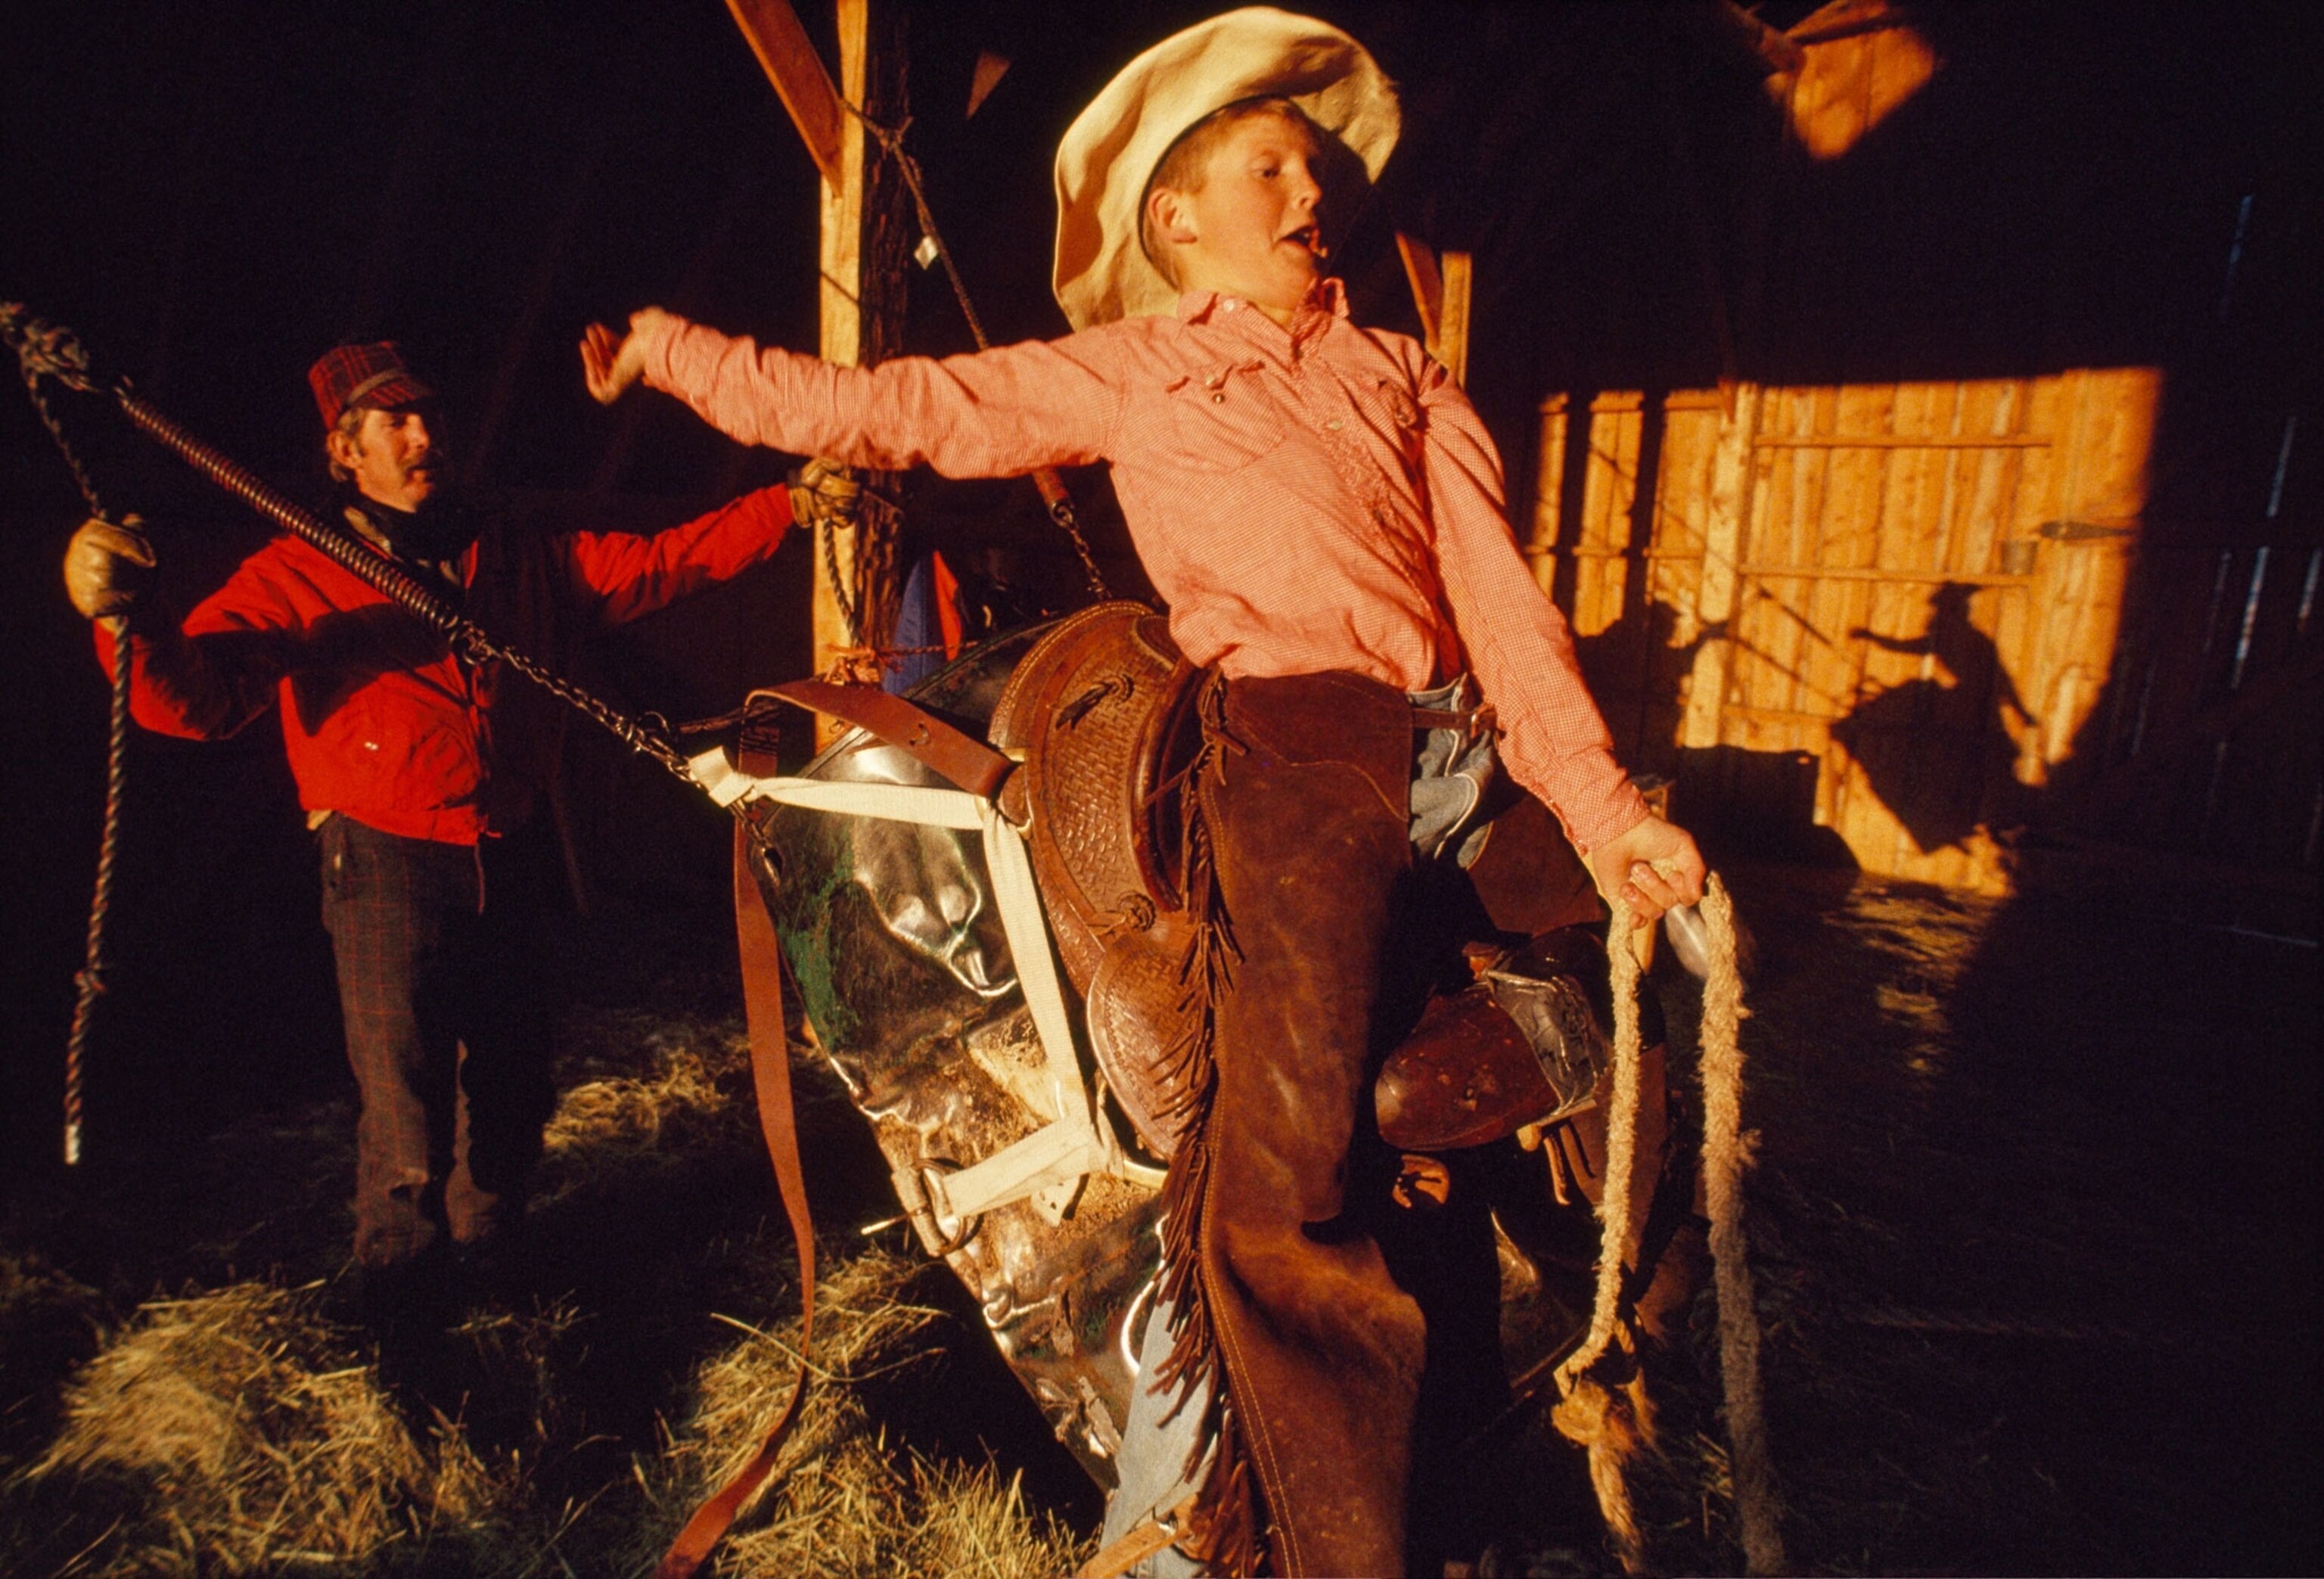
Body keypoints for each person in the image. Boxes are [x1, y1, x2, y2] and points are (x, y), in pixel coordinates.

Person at [580, 11, 1704, 1573]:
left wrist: (1602, 809)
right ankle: (1314, 1546)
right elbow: (900, 412)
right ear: (1176, 218)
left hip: (1457, 746)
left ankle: (1617, 1400)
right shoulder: (1136, 370)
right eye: (1272, 170)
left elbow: (1507, 609)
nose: (1311, 200)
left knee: (1633, 1078)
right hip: (1292, 747)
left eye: (1314, 174)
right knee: (1284, 1177)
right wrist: (680, 355)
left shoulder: (1407, 374)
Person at [61, 340, 800, 1308]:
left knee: (513, 1080)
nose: (424, 436)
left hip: (508, 842)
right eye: (394, 422)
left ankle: (494, 1252)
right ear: (345, 452)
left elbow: (667, 560)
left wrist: (789, 504)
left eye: (431, 417)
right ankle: (401, 1287)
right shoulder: (298, 573)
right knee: (405, 1100)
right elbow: (192, 700)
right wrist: (129, 617)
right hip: (382, 860)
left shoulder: (517, 554)